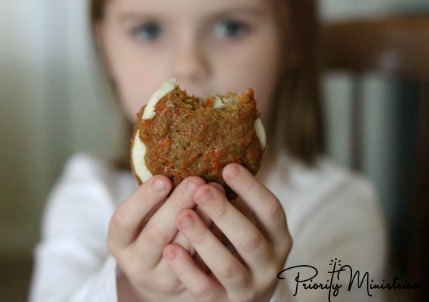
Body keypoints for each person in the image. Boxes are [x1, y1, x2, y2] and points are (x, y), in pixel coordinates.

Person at [29, 0, 387, 301]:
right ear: (104, 46)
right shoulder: (90, 193)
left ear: (292, 40)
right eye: (149, 30)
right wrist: (137, 290)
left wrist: (269, 294)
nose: (188, 66)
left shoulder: (339, 206)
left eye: (231, 27)